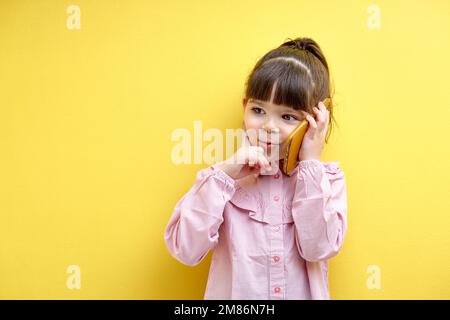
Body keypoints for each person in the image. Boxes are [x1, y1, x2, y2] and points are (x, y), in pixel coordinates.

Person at [164, 37, 348, 300]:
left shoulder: (327, 181)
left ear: (316, 120)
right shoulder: (223, 180)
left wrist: (310, 164)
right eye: (258, 110)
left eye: (287, 116)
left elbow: (318, 249)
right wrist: (224, 175)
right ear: (244, 107)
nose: (268, 126)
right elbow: (186, 249)